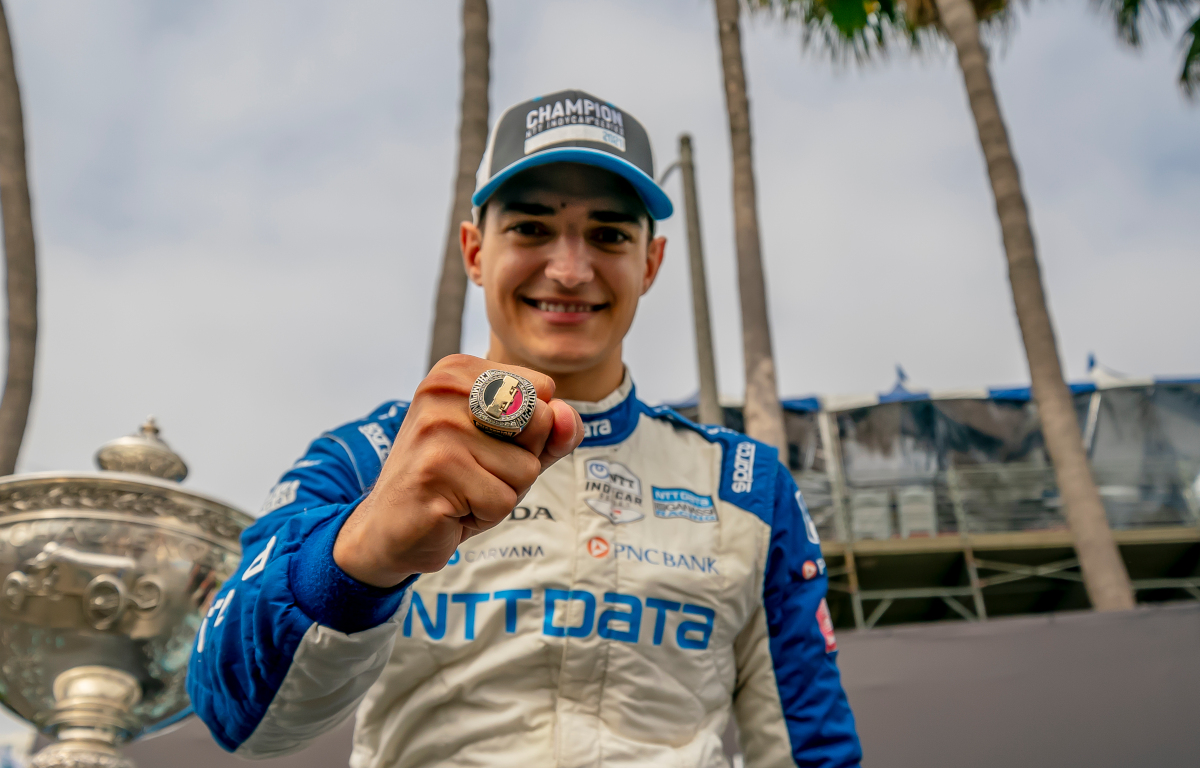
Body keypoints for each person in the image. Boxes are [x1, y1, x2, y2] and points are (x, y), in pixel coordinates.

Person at [187, 88, 862, 768]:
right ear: (475, 252)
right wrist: (363, 554)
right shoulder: (369, 458)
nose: (569, 271)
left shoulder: (745, 484)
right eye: (531, 229)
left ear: (649, 263)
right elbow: (233, 714)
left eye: (608, 235)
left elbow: (812, 751)